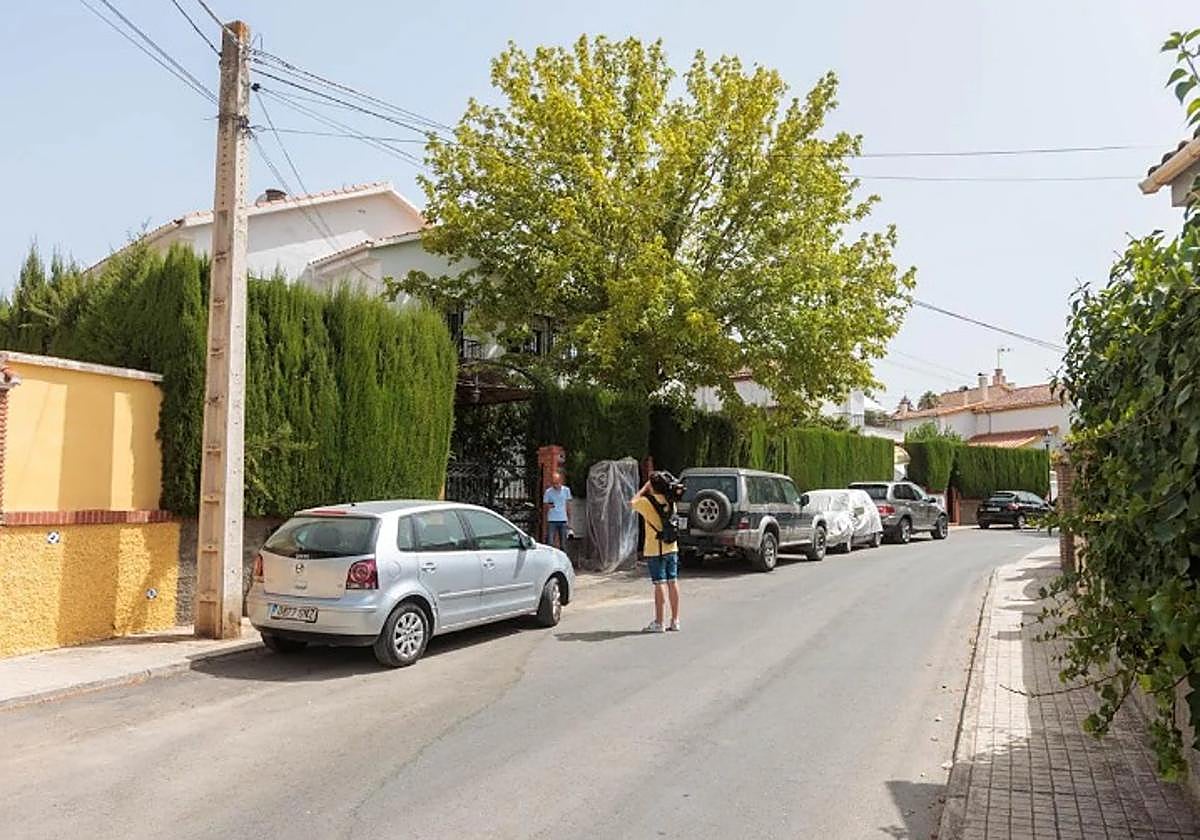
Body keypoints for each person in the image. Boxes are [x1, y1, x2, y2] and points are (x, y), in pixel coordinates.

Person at [631, 472, 681, 633]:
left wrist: (643, 489)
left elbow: (632, 502)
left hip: (655, 548)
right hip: (671, 547)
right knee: (673, 582)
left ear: (652, 486)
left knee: (659, 583)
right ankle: (675, 620)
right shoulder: (671, 501)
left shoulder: (646, 502)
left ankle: (659, 622)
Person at [542, 472, 573, 550]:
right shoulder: (548, 492)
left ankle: (564, 559)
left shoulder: (566, 490)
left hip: (563, 519)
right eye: (553, 483)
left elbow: (568, 506)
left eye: (557, 483)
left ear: (560, 481)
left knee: (563, 544)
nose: (555, 485)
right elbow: (545, 505)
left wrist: (569, 521)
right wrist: (549, 506)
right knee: (550, 542)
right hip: (552, 520)